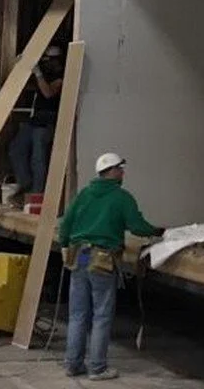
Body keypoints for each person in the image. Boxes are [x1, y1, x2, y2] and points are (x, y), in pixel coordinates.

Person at [57, 152, 162, 381]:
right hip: (102, 259)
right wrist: (157, 231)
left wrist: (65, 245)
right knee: (101, 315)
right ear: (112, 172)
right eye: (121, 169)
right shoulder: (121, 198)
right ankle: (97, 368)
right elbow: (137, 226)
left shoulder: (83, 194)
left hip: (80, 257)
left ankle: (73, 364)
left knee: (77, 314)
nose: (123, 174)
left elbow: (65, 226)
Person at [9, 46, 65, 195]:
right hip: (35, 119)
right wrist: (22, 67)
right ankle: (25, 184)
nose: (47, 63)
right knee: (16, 149)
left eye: (50, 60)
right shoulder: (45, 73)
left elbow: (48, 93)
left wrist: (38, 74)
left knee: (38, 157)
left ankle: (37, 193)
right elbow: (29, 86)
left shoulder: (61, 75)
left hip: (48, 122)